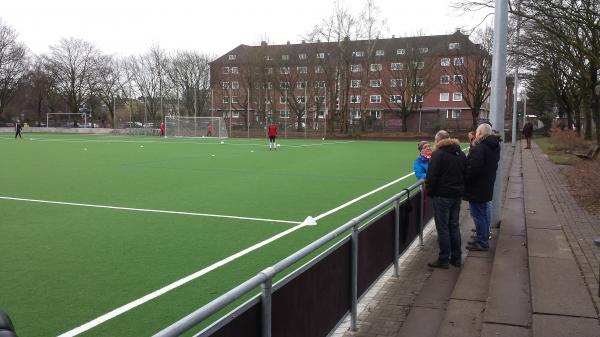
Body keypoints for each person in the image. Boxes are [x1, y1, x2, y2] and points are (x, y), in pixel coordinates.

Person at [426, 130, 467, 268]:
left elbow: (432, 176)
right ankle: (456, 257)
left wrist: (430, 192)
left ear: (438, 141)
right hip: (456, 195)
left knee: (443, 227)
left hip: (442, 195)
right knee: (454, 225)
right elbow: (465, 173)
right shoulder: (460, 153)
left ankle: (443, 259)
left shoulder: (438, 154)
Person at [463, 123, 501, 252]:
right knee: (483, 213)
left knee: (478, 214)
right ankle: (482, 238)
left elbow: (473, 168)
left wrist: (465, 178)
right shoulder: (494, 145)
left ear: (480, 133)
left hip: (477, 186)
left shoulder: (480, 148)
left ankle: (482, 241)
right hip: (487, 183)